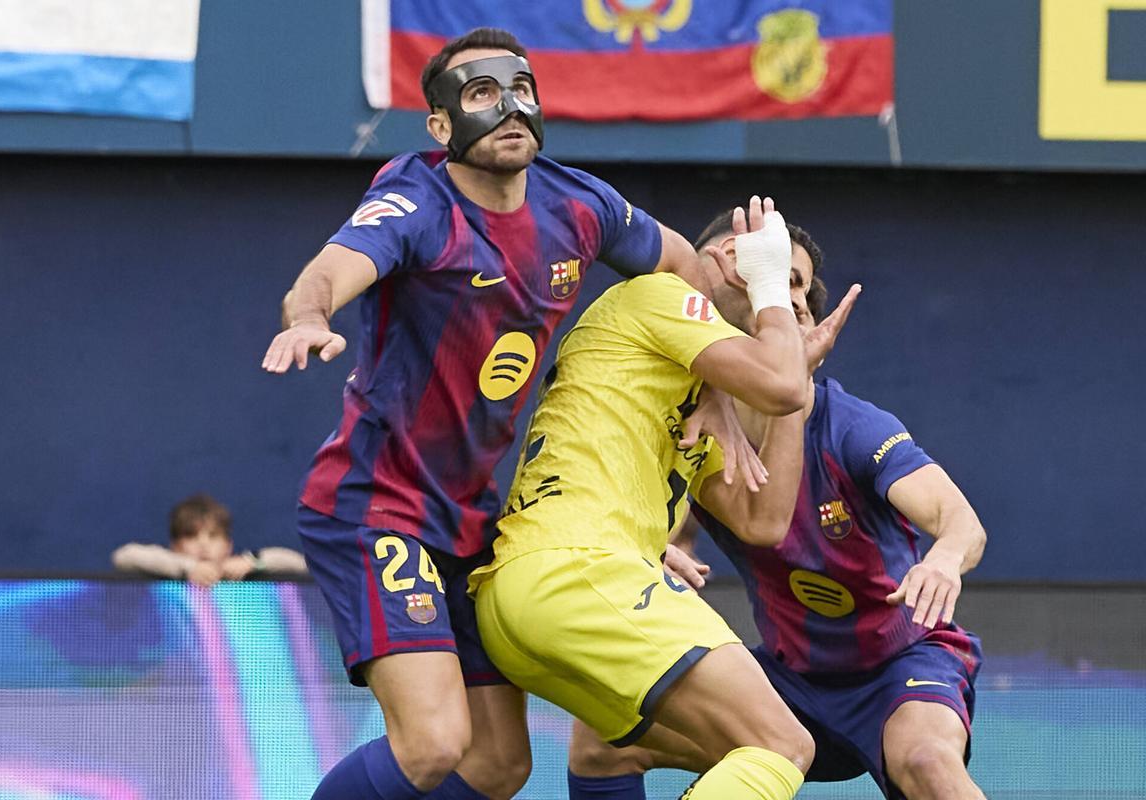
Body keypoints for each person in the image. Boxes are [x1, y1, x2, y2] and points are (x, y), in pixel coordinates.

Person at [260, 27, 743, 800]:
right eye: (481, 93)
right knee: (432, 743)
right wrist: (309, 318)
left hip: (478, 519)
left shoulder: (579, 205)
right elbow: (328, 270)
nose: (509, 107)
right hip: (379, 503)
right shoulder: (419, 199)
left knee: (497, 765)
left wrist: (715, 386)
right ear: (442, 125)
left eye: (519, 89)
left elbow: (683, 266)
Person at [567, 212, 987, 800]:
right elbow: (641, 514)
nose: (787, 295)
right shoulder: (689, 426)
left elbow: (960, 522)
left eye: (798, 284)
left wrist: (943, 559)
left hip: (902, 666)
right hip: (792, 683)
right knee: (604, 739)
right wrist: (652, 547)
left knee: (927, 764)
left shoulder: (854, 429)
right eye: (769, 276)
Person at [469, 195, 863, 799]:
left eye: (803, 301)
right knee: (782, 745)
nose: (797, 310)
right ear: (738, 256)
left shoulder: (709, 393)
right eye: (790, 282)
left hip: (529, 596)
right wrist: (772, 308)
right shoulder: (660, 296)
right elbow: (779, 381)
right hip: (578, 569)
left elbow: (762, 521)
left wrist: (788, 382)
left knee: (611, 748)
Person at [112, 493, 306, 586]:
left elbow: (299, 564)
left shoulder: (240, 573)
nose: (203, 544)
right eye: (191, 535)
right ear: (175, 545)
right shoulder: (170, 573)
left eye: (213, 536)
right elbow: (124, 556)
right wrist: (188, 569)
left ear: (228, 545)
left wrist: (252, 562)